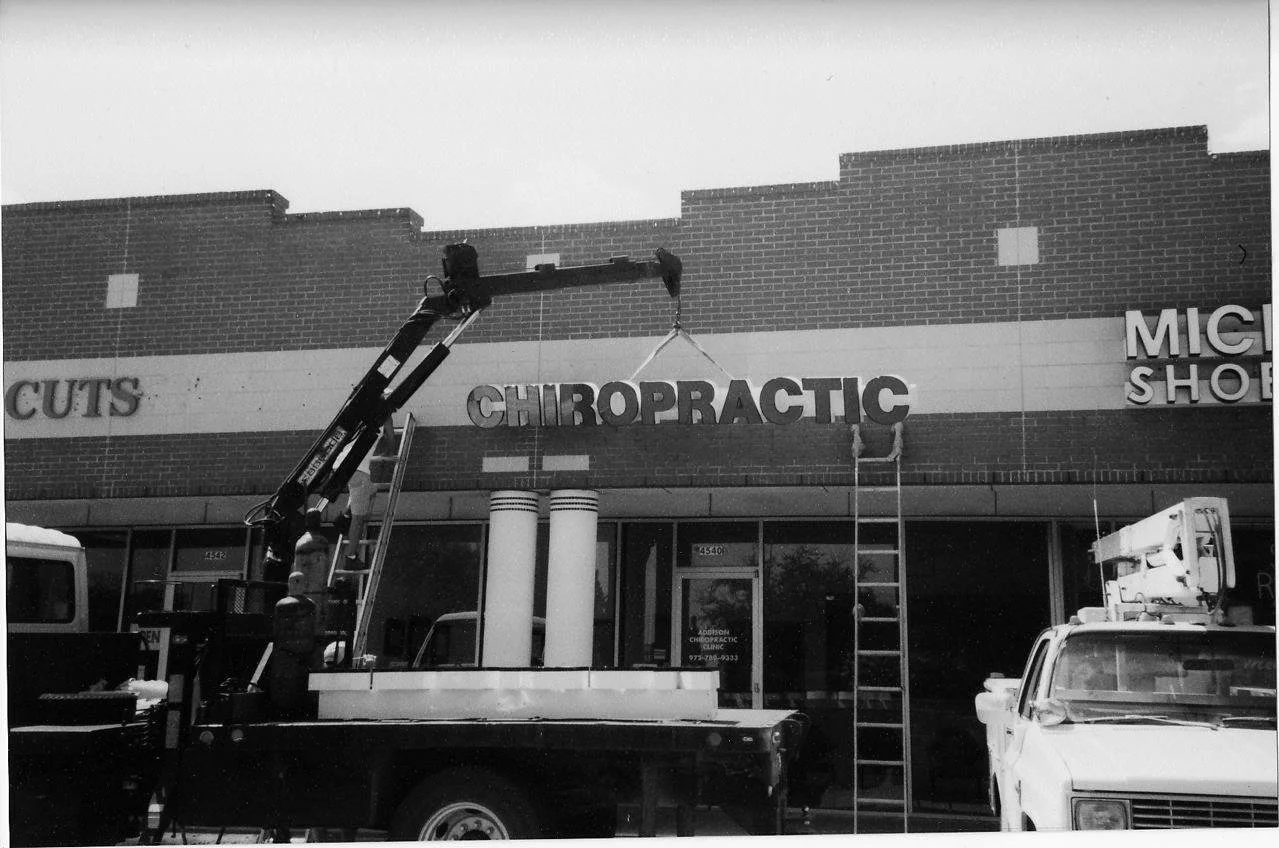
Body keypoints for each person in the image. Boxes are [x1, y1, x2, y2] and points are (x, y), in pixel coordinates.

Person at [335, 419, 397, 570]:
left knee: (370, 490)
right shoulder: (385, 415)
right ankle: (350, 557)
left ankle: (343, 517)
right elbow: (391, 439)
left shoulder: (364, 411)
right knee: (358, 519)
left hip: (340, 464)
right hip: (358, 470)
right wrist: (388, 453)